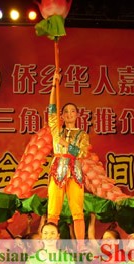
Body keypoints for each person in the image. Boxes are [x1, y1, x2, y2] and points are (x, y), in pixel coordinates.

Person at [47, 71, 89, 241]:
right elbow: (51, 111)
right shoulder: (57, 131)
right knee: (53, 210)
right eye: (66, 112)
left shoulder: (82, 134)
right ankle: (51, 244)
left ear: (77, 115)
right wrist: (53, 85)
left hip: (76, 171)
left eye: (73, 111)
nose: (70, 114)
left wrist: (68, 146)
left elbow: (83, 153)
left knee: (77, 211)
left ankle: (80, 247)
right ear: (62, 116)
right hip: (58, 170)